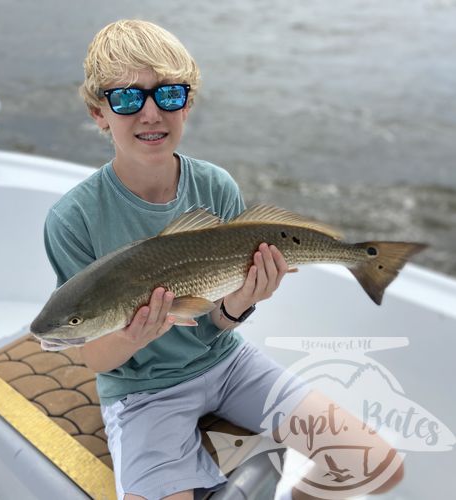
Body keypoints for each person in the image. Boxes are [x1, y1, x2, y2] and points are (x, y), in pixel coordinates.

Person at [43, 19, 403, 500]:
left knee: (378, 466)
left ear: (187, 104)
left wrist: (239, 305)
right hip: (142, 393)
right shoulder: (72, 219)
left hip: (228, 365)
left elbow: (218, 321)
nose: (150, 113)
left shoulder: (215, 186)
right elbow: (93, 355)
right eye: (127, 99)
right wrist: (134, 334)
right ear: (98, 113)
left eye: (168, 95)